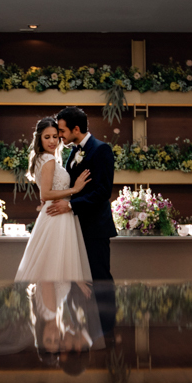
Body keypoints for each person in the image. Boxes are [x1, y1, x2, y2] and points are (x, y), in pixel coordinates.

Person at [14, 116, 94, 282]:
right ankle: (50, 308)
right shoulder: (48, 159)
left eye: (55, 136)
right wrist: (75, 189)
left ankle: (48, 308)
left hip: (54, 212)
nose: (52, 141)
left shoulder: (42, 158)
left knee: (49, 269)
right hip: (56, 216)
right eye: (47, 137)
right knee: (52, 270)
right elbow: (45, 194)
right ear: (39, 139)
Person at [45, 106, 117, 281]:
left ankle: (106, 310)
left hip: (95, 227)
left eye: (62, 131)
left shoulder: (101, 149)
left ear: (76, 129)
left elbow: (103, 191)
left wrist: (70, 205)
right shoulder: (74, 151)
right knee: (80, 281)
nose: (60, 136)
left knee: (99, 277)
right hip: (75, 225)